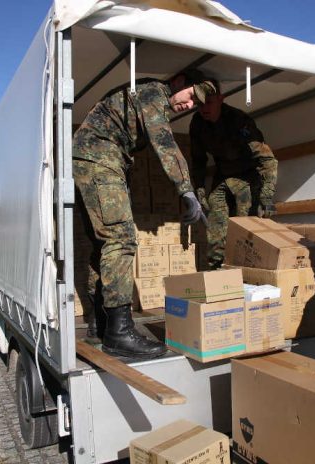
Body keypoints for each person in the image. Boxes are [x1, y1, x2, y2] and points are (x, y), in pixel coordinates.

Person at [74, 71, 215, 359]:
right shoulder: (153, 93)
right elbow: (164, 143)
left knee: (104, 245)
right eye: (191, 97)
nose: (190, 106)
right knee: (121, 240)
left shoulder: (145, 94)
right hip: (99, 158)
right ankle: (119, 334)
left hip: (92, 159)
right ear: (177, 83)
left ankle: (99, 325)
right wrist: (186, 191)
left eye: (196, 105)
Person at [189, 84, 278, 269]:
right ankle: (216, 272)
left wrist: (267, 196)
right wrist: (199, 189)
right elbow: (198, 160)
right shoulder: (197, 123)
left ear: (221, 99)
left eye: (209, 102)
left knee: (244, 230)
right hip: (222, 176)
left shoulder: (239, 120)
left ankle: (246, 274)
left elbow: (267, 159)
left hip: (247, 176)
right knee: (215, 224)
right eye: (199, 104)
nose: (204, 108)